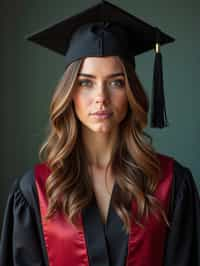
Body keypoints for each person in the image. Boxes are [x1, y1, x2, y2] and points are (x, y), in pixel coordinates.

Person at [0, 1, 200, 266]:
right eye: (86, 83)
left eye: (116, 82)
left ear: (130, 93)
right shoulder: (34, 190)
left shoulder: (170, 184)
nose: (101, 98)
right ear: (69, 93)